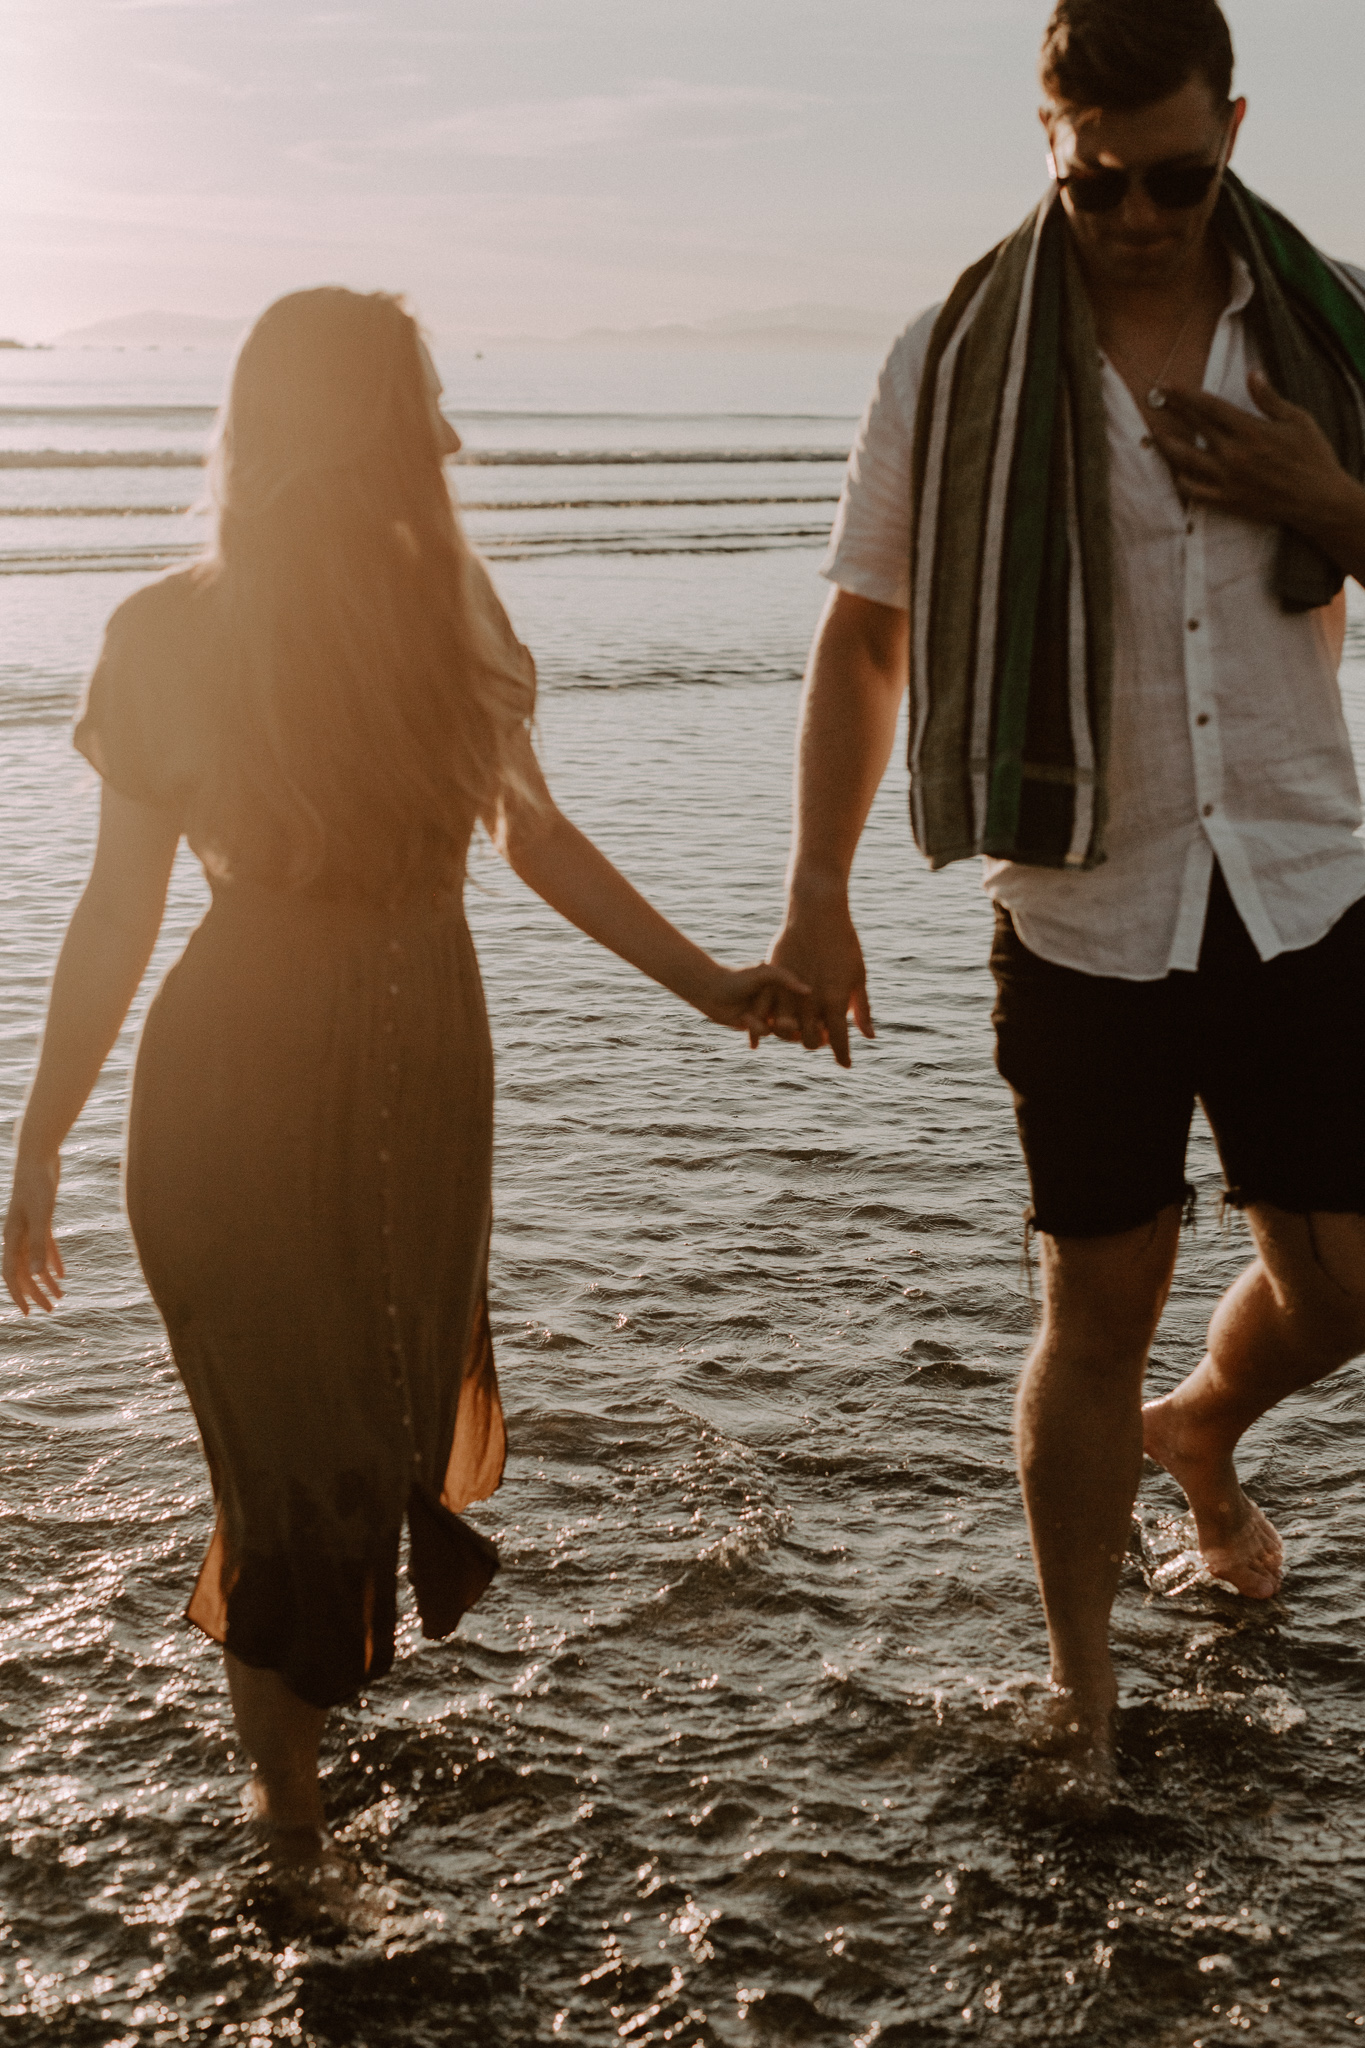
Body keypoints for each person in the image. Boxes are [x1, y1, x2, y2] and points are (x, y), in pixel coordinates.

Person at [1, 287, 804, 1865]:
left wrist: (709, 985)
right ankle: (291, 1832)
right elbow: (117, 910)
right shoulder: (166, 632)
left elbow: (536, 831)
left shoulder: (454, 618)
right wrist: (37, 1149)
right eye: (414, 405)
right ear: (347, 433)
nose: (445, 435)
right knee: (286, 1462)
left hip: (419, 1082)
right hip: (233, 1092)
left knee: (367, 1440)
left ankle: (289, 1789)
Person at [767, 0, 1365, 1769]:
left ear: (1234, 130)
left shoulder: (1326, 336)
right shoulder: (946, 361)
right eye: (1097, 185)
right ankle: (1086, 1705)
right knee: (1089, 1310)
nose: (1135, 219)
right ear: (1051, 144)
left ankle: (1202, 1430)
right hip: (1084, 908)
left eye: (1173, 178)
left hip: (1302, 878)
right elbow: (864, 636)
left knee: (1347, 1287)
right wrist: (818, 887)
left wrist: (1330, 491)